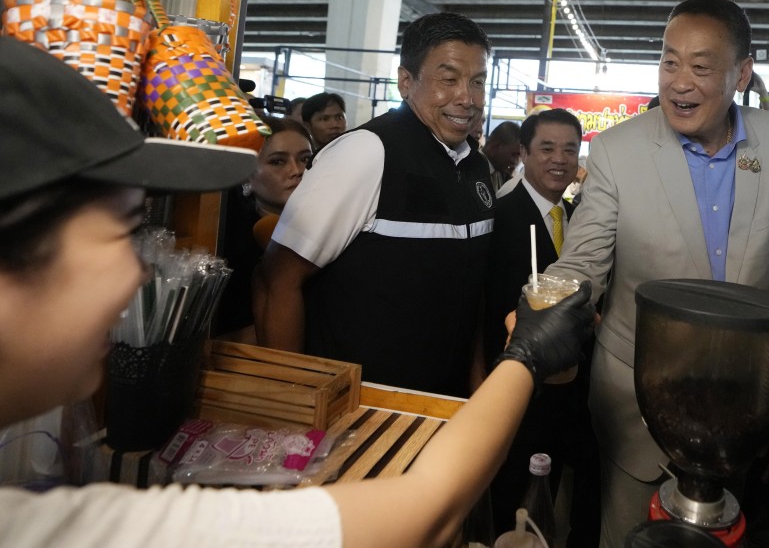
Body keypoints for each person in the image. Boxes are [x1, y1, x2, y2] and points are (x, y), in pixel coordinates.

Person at [0, 36, 595, 548]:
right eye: (120, 230)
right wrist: (526, 357)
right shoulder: (369, 152)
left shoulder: (45, 520)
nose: (140, 276)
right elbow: (418, 514)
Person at [543, 0, 769, 546]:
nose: (679, 82)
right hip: (635, 403)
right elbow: (583, 262)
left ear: (742, 73)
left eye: (700, 66)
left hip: (744, 406)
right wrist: (543, 305)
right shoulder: (619, 150)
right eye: (669, 62)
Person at [257, 12, 494, 397]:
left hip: (441, 407)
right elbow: (277, 280)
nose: (466, 98)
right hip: (357, 408)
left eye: (478, 82)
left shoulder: (476, 166)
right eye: (448, 79)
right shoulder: (367, 151)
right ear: (406, 82)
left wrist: (476, 382)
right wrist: (292, 401)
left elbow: (472, 289)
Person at [482, 108, 600, 546]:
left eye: (570, 149)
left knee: (553, 494)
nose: (560, 159)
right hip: (520, 388)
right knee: (518, 504)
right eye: (547, 148)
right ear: (524, 153)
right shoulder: (502, 217)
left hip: (571, 388)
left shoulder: (575, 218)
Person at [216, 118, 314, 338]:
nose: (296, 170)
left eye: (305, 159)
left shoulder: (328, 230)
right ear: (248, 173)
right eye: (278, 162)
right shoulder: (228, 242)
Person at [481, 120, 521, 192]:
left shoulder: (500, 172)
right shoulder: (471, 169)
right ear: (494, 147)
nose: (516, 161)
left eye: (519, 155)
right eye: (514, 154)